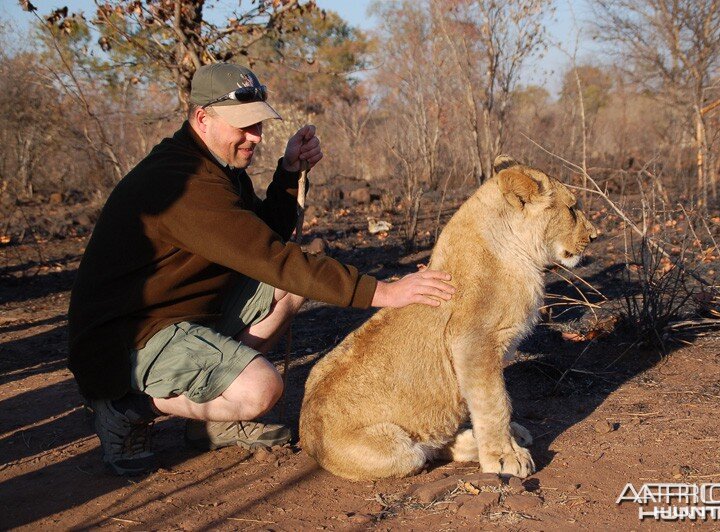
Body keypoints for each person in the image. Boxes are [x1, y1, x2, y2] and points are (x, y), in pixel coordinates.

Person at [67, 63, 455, 476]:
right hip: (126, 339)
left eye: (258, 125)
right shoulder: (179, 182)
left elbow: (259, 235)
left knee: (285, 290)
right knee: (261, 388)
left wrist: (288, 174)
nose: (255, 137)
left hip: (183, 317)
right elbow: (272, 257)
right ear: (202, 117)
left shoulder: (215, 168)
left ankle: (211, 419)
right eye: (243, 126)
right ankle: (123, 408)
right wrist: (386, 292)